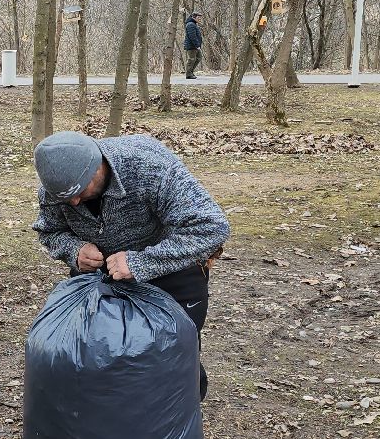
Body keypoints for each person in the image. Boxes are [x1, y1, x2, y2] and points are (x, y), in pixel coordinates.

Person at [31, 130, 231, 387]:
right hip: (101, 279)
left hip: (171, 271)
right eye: (64, 198)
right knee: (99, 354)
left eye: (80, 190)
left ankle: (178, 413)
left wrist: (141, 263)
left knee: (171, 352)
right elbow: (49, 230)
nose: (75, 201)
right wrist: (74, 250)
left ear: (98, 164)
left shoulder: (149, 168)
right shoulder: (56, 190)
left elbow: (212, 227)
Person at [183, 13, 204, 79]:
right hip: (191, 46)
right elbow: (192, 36)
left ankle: (190, 72)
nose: (200, 19)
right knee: (191, 59)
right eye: (198, 18)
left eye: (200, 18)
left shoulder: (193, 24)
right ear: (193, 17)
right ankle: (189, 74)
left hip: (195, 45)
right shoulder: (190, 25)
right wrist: (197, 45)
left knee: (198, 58)